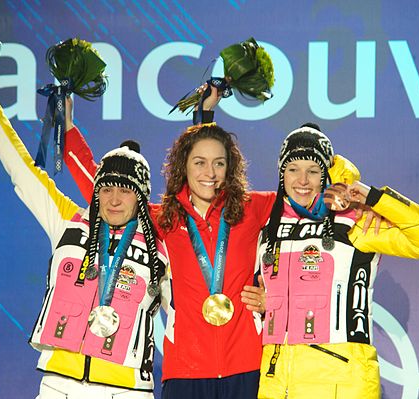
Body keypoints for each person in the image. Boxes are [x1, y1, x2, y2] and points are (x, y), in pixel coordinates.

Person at [63, 95, 361, 398]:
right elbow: (107, 191)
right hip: (184, 371)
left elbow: (304, 189)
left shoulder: (252, 208)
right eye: (200, 163)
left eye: (219, 163)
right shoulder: (166, 217)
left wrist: (329, 167)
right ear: (184, 166)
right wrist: (67, 128)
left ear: (229, 167)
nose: (210, 173)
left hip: (246, 367)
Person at [0, 79, 171, 399]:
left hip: (128, 391)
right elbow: (21, 167)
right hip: (59, 385)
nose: (114, 199)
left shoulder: (162, 248)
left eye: (126, 190)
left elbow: (186, 317)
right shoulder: (68, 221)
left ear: (141, 197)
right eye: (106, 188)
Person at [256, 123, 419, 399]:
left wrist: (374, 197)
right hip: (277, 383)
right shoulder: (269, 227)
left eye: (313, 170)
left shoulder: (353, 221)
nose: (302, 180)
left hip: (340, 381)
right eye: (293, 169)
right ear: (281, 174)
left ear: (325, 175)